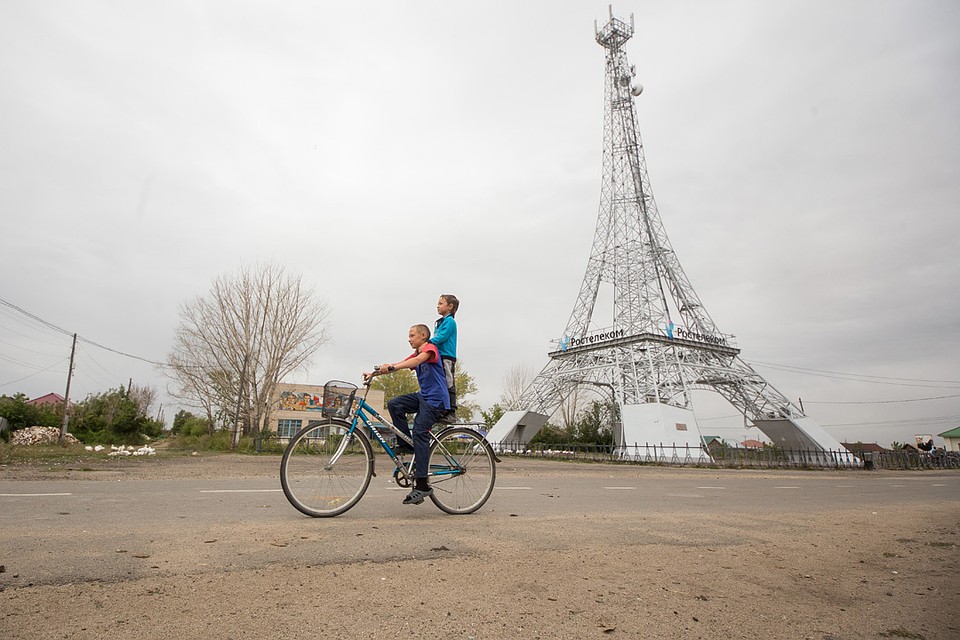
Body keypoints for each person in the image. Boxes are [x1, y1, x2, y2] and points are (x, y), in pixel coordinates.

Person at [363, 324, 450, 505]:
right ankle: (406, 446)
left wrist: (395, 367)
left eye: (412, 335)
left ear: (423, 335)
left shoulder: (430, 349)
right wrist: (374, 373)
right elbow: (401, 364)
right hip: (423, 397)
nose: (409, 339)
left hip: (436, 400)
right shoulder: (417, 353)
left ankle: (423, 485)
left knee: (420, 432)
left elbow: (415, 362)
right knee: (395, 405)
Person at [430, 294, 459, 424]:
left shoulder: (450, 322)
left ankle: (451, 411)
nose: (438, 306)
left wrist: (428, 343)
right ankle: (442, 408)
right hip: (439, 356)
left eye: (441, 303)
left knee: (448, 382)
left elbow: (442, 337)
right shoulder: (439, 322)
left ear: (450, 306)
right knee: (440, 382)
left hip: (447, 356)